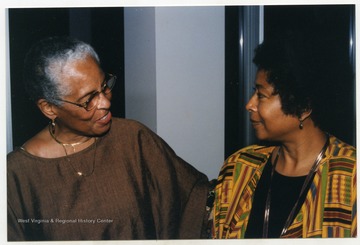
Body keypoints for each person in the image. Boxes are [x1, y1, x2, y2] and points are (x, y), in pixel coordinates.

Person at [7, 36, 209, 241]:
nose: (105, 102)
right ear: (49, 108)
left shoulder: (132, 138)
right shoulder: (15, 176)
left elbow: (194, 200)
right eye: (88, 100)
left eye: (104, 87)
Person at [212, 33, 356, 238]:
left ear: (304, 107)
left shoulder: (351, 177)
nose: (249, 105)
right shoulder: (238, 168)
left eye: (261, 95)